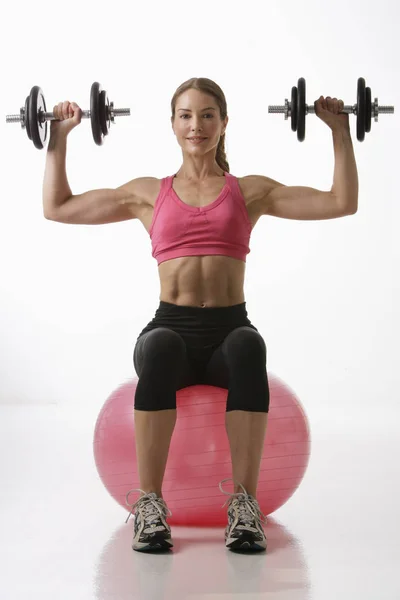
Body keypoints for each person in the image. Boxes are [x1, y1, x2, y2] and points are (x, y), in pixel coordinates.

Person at [43, 77, 358, 554]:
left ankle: (244, 507)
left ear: (224, 123)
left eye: (208, 115)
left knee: (249, 346)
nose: (197, 125)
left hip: (230, 329)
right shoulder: (149, 193)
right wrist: (58, 139)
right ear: (173, 124)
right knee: (163, 346)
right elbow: (57, 207)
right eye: (187, 115)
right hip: (170, 327)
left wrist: (339, 131)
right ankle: (150, 507)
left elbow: (341, 202)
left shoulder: (248, 192)